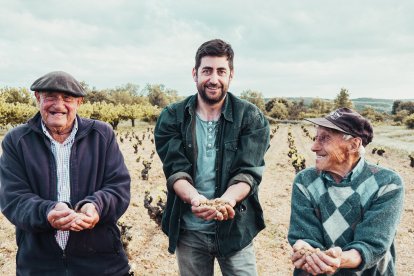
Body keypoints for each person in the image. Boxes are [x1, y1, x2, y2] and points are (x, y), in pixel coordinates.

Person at [154, 39, 270, 275]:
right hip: (190, 231)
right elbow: (176, 170)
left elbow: (247, 172)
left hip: (235, 229)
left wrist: (226, 201)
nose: (213, 79)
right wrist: (196, 199)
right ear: (195, 73)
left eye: (221, 71)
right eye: (207, 71)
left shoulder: (251, 118)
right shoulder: (172, 117)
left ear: (231, 75)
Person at [0, 71, 131, 275]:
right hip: (39, 265)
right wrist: (48, 211)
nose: (59, 106)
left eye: (67, 98)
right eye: (50, 97)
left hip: (102, 263)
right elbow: (13, 198)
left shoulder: (102, 135)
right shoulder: (17, 141)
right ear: (38, 99)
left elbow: (118, 188)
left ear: (79, 102)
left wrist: (95, 206)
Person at [288, 108, 404, 275]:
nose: (314, 146)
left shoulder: (387, 183)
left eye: (325, 138)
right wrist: (304, 247)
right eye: (316, 137)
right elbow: (305, 235)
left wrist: (338, 260)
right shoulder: (305, 181)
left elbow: (372, 244)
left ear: (353, 145)